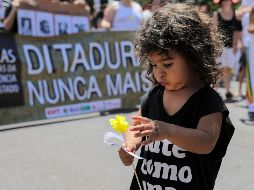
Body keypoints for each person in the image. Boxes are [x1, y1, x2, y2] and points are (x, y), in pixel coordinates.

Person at [118, 3, 235, 190]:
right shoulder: (154, 96)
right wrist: (130, 146)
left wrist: (168, 131)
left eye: (167, 64)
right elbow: (134, 126)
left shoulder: (208, 101)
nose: (159, 73)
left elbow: (207, 142)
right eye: (154, 65)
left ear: (193, 56)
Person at [213, 0, 242, 100]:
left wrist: (235, 45)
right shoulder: (217, 14)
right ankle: (215, 91)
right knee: (218, 69)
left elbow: (238, 31)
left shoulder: (236, 14)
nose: (226, 2)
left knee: (228, 69)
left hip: (231, 47)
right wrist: (216, 46)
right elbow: (214, 30)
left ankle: (228, 90)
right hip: (220, 46)